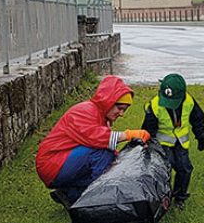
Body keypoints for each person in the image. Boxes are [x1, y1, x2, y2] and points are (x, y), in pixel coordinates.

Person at [35, 75, 151, 206]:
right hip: (51, 163)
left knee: (108, 159)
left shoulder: (99, 116)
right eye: (119, 108)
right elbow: (96, 138)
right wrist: (127, 135)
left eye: (124, 110)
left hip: (60, 162)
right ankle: (99, 198)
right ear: (109, 101)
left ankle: (70, 193)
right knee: (101, 154)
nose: (121, 114)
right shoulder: (84, 111)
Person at [142, 73, 204, 208]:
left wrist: (201, 137)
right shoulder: (155, 105)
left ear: (183, 95)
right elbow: (148, 129)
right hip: (161, 144)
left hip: (180, 143)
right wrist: (146, 145)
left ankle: (179, 198)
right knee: (164, 169)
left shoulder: (189, 101)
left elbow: (198, 119)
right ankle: (161, 199)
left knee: (185, 168)